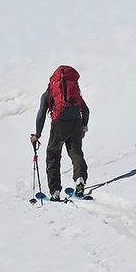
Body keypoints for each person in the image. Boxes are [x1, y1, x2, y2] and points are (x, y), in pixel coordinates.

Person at [30, 65, 89, 201]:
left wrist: (37, 135)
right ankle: (80, 179)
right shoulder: (74, 93)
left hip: (59, 124)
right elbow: (86, 110)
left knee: (53, 155)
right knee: (76, 153)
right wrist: (84, 127)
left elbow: (41, 115)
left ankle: (55, 191)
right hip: (76, 122)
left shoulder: (48, 93)